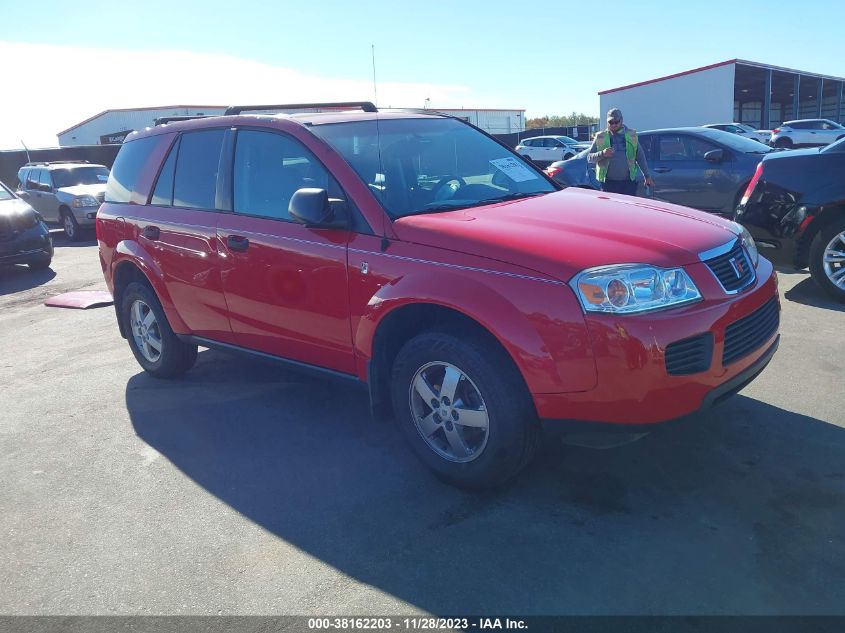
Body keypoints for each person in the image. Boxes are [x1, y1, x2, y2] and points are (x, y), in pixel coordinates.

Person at [586, 108, 653, 196]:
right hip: (608, 184)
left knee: (627, 209)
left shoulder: (631, 135)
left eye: (616, 122)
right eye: (611, 122)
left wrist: (647, 176)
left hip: (628, 183)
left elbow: (640, 157)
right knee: (611, 209)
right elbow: (589, 158)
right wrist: (602, 154)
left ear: (621, 120)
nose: (614, 125)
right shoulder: (600, 137)